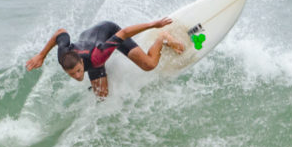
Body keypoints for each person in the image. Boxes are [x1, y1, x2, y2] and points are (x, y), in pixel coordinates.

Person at [25, 18, 185, 98]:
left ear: (81, 63)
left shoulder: (97, 57)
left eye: (79, 71)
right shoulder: (63, 55)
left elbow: (124, 33)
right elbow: (61, 32)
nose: (78, 76)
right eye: (72, 74)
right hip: (87, 38)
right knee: (102, 97)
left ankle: (162, 39)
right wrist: (41, 55)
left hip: (108, 32)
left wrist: (153, 25)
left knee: (149, 64)